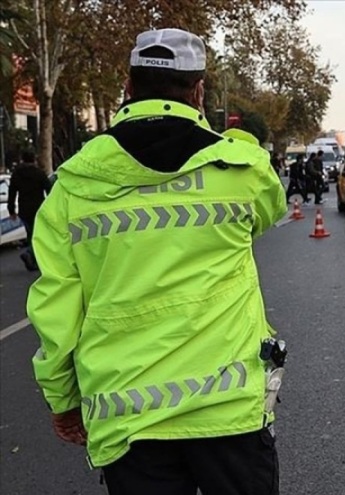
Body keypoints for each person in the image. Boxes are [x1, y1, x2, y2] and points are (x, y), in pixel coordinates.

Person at [26, 28, 286, 495]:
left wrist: (63, 399)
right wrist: (238, 143)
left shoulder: (72, 184)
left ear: (128, 87)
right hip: (227, 414)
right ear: (199, 90)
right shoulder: (240, 170)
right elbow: (270, 210)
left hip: (128, 419)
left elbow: (56, 309)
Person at [6, 149, 52, 271]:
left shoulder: (16, 174)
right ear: (34, 159)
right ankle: (30, 253)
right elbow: (49, 189)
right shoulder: (39, 173)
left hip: (24, 209)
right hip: (38, 207)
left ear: (22, 159)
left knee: (30, 233)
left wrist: (11, 210)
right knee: (38, 234)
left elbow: (12, 193)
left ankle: (33, 259)